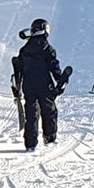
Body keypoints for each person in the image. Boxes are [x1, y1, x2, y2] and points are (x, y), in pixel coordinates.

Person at [13, 18, 69, 151]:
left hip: (28, 85)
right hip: (44, 85)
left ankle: (30, 143)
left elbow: (18, 68)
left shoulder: (24, 50)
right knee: (49, 110)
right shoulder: (47, 48)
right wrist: (60, 80)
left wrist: (17, 87)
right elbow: (53, 66)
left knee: (31, 113)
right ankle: (49, 137)